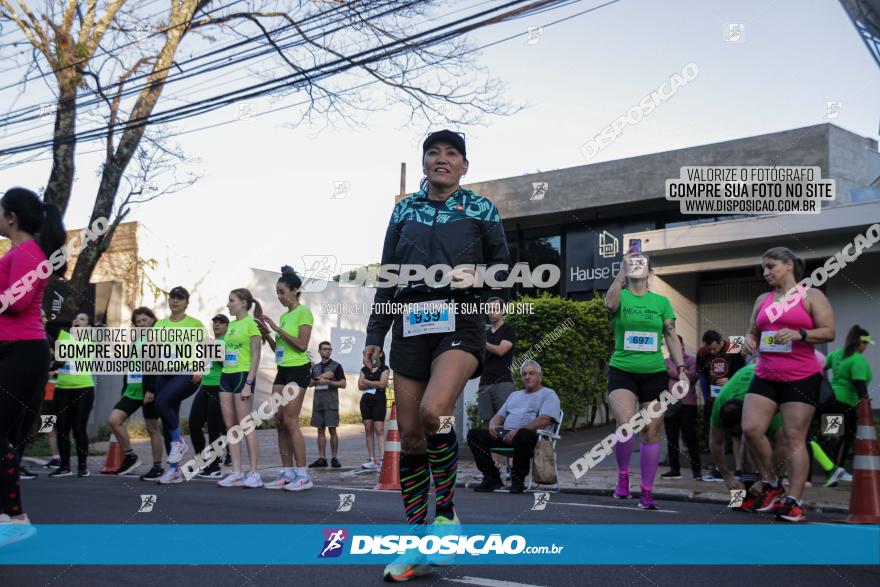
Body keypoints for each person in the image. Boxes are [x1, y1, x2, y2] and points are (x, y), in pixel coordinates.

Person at [363, 130, 511, 582]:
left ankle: (446, 516)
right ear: (424, 162)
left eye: (452, 154)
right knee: (410, 436)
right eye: (434, 153)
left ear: (464, 166)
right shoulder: (403, 210)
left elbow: (504, 270)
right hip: (410, 322)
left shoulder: (481, 208)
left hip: (460, 320)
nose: (441, 159)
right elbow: (388, 275)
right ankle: (414, 542)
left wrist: (480, 277)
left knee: (434, 412)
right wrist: (376, 332)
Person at [741, 247, 835, 522]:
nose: (766, 273)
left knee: (795, 437)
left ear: (789, 265)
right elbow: (753, 331)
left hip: (801, 376)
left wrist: (800, 333)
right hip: (765, 374)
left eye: (771, 266)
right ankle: (771, 484)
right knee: (751, 429)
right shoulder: (763, 299)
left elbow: (829, 331)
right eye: (764, 268)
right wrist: (750, 341)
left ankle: (794, 501)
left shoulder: (811, 295)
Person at [0, 187, 66, 546]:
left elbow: (18, 300)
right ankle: (5, 517)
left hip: (23, 351)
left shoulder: (28, 252)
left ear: (11, 217)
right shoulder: (18, 252)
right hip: (14, 350)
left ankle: (17, 518)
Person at [604, 251, 687, 510]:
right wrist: (620, 273)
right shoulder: (622, 295)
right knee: (627, 423)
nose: (636, 264)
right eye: (632, 261)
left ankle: (648, 492)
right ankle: (623, 477)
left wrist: (681, 367)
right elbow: (609, 305)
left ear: (649, 269)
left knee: (651, 431)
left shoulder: (661, 302)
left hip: (654, 372)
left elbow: (671, 334)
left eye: (641, 261)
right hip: (622, 370)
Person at [257, 267, 314, 491]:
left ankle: (303, 474)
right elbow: (278, 349)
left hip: (299, 369)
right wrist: (267, 334)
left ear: (294, 290)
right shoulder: (284, 316)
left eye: (282, 292)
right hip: (282, 370)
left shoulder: (304, 312)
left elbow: (301, 345)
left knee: (291, 421)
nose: (279, 296)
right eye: (277, 292)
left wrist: (276, 328)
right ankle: (287, 471)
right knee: (279, 422)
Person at [467, 360, 561, 493]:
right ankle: (492, 478)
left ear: (540, 375)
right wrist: (493, 425)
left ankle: (518, 481)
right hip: (507, 436)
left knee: (523, 433)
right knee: (474, 435)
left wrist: (518, 431)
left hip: (533, 440)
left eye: (531, 373)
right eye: (524, 374)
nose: (527, 376)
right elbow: (500, 415)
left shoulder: (548, 394)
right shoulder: (514, 395)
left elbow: (544, 419)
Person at [151, 287, 206, 485]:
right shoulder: (160, 324)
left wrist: (201, 366)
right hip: (164, 374)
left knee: (162, 402)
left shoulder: (195, 324)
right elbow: (154, 349)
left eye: (179, 298)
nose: (175, 301)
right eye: (172, 297)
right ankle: (174, 471)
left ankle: (180, 443)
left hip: (188, 372)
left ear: (186, 303)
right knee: (167, 421)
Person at [708, 360, 785, 498]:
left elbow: (782, 444)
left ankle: (774, 487)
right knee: (748, 439)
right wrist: (727, 477)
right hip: (746, 381)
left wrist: (768, 480)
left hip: (775, 379)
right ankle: (747, 490)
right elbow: (715, 442)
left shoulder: (768, 406)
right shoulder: (720, 403)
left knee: (774, 438)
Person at [106, 307, 166, 477]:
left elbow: (156, 366)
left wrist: (152, 390)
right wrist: (125, 388)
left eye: (144, 320)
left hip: (149, 391)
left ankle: (157, 466)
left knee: (152, 428)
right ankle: (130, 456)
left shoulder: (157, 338)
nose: (141, 324)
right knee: (114, 420)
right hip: (132, 391)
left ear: (152, 320)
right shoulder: (136, 341)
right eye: (138, 322)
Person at [216, 288, 264, 488]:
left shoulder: (251, 324)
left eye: (231, 301)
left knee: (246, 424)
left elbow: (256, 356)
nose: (228, 305)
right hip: (225, 376)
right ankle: (236, 472)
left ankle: (254, 473)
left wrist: (249, 383)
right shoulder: (232, 326)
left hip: (242, 376)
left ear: (243, 302)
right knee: (230, 426)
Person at [823, 324, 874, 485]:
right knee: (845, 438)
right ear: (861, 343)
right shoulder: (858, 360)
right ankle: (838, 470)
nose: (866, 347)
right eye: (866, 343)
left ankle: (830, 471)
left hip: (831, 401)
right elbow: (859, 384)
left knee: (832, 437)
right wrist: (865, 403)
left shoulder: (837, 354)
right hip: (846, 404)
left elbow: (820, 368)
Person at [49, 312, 96, 478]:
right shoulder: (64, 335)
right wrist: (72, 321)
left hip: (83, 388)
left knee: (78, 428)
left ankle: (83, 466)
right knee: (62, 428)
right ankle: (64, 466)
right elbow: (50, 325)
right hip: (62, 388)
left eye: (82, 319)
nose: (77, 320)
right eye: (76, 318)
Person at [477, 297, 517, 475]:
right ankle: (494, 467)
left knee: (508, 423)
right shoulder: (484, 334)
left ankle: (512, 465)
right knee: (489, 425)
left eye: (495, 308)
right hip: (484, 383)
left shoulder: (508, 330)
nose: (491, 312)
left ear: (502, 311)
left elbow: (501, 350)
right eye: (489, 308)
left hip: (503, 382)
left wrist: (481, 343)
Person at [187, 314, 229, 479]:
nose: (217, 325)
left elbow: (226, 362)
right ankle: (201, 459)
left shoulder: (226, 341)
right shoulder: (211, 342)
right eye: (215, 322)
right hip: (205, 386)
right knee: (193, 422)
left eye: (221, 323)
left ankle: (215, 465)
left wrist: (211, 347)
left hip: (219, 387)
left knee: (214, 428)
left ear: (227, 326)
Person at [696, 330, 745, 461]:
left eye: (714, 348)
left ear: (720, 342)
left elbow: (743, 370)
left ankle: (740, 468)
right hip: (713, 399)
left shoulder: (734, 346)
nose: (712, 352)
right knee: (716, 435)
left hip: (733, 397)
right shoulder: (702, 352)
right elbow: (702, 376)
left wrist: (730, 380)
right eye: (709, 349)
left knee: (737, 435)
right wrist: (706, 397)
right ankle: (718, 468)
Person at [660, 336, 701, 480]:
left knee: (690, 437)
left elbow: (692, 377)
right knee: (672, 439)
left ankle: (697, 471)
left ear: (682, 345)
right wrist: (681, 373)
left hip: (688, 404)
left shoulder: (691, 360)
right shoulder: (664, 361)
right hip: (670, 404)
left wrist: (672, 372)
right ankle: (674, 470)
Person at [308, 341, 346, 468]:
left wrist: (328, 382)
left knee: (332, 430)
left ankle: (334, 458)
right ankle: (322, 458)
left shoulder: (336, 366)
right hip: (318, 403)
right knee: (320, 430)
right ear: (319, 351)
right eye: (324, 349)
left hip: (331, 403)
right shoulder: (315, 368)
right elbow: (310, 383)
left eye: (329, 349)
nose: (327, 351)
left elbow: (343, 384)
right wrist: (323, 377)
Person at [358, 350, 390, 469]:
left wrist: (366, 381)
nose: (370, 355)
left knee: (379, 429)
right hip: (365, 401)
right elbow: (359, 386)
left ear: (380, 354)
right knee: (368, 429)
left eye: (373, 353)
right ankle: (372, 459)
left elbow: (382, 384)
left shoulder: (384, 368)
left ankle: (383, 458)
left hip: (379, 400)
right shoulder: (364, 369)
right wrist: (373, 383)